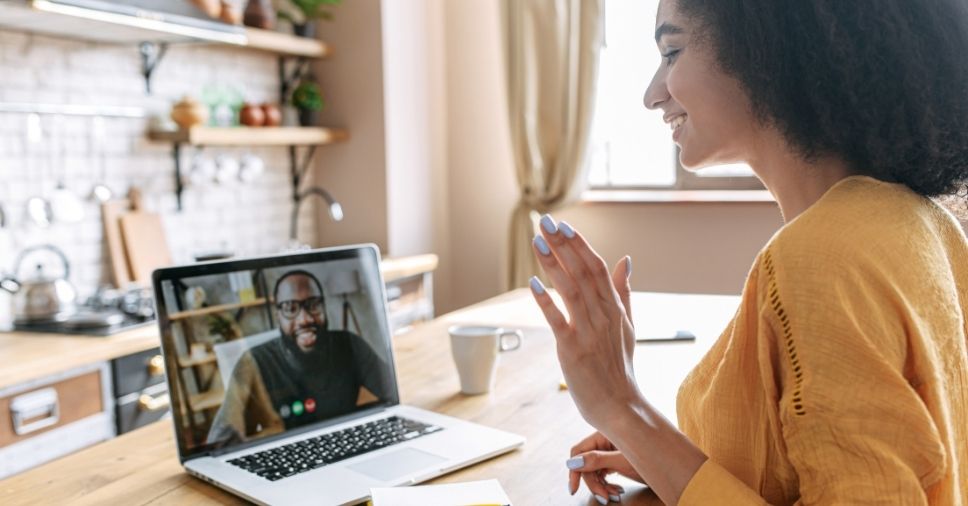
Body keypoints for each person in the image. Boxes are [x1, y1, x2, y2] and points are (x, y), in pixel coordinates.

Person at [528, 0, 968, 504]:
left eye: (672, 52)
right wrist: (658, 451)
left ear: (766, 49)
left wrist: (621, 406)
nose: (652, 95)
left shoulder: (821, 259)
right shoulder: (925, 223)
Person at [207, 270, 392, 446]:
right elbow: (223, 435)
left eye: (313, 305)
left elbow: (390, 396)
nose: (304, 319)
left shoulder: (350, 345)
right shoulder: (252, 362)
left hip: (343, 440)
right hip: (286, 454)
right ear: (277, 315)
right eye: (290, 308)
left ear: (324, 307)